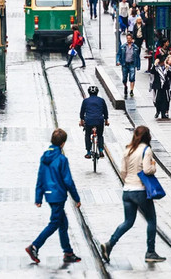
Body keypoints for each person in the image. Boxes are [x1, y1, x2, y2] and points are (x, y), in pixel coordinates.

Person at [100, 126, 164, 263]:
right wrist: (154, 166)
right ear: (147, 136)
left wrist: (128, 182)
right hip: (140, 191)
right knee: (151, 220)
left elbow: (123, 171)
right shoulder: (146, 150)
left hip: (127, 191)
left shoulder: (128, 150)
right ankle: (150, 252)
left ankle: (110, 244)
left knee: (128, 222)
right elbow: (147, 170)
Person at [26, 129, 82, 265]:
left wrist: (38, 197)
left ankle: (68, 252)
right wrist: (76, 198)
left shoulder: (45, 157)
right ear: (63, 143)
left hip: (49, 195)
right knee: (54, 223)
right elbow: (68, 181)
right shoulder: (62, 159)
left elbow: (40, 177)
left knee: (63, 223)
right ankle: (34, 246)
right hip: (58, 195)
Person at [79, 85, 109, 159]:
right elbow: (105, 111)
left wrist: (81, 121)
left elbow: (82, 112)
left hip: (89, 120)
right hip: (99, 120)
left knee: (87, 135)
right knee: (100, 135)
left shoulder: (85, 101)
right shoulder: (101, 100)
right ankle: (101, 150)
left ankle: (88, 152)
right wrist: (106, 121)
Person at [117, 33, 140, 98]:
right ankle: (125, 86)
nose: (129, 40)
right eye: (127, 38)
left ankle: (131, 90)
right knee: (124, 78)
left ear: (132, 39)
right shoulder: (123, 47)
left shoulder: (135, 47)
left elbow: (137, 57)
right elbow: (118, 54)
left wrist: (138, 65)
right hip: (125, 64)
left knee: (132, 78)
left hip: (132, 64)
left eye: (130, 38)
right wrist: (118, 61)